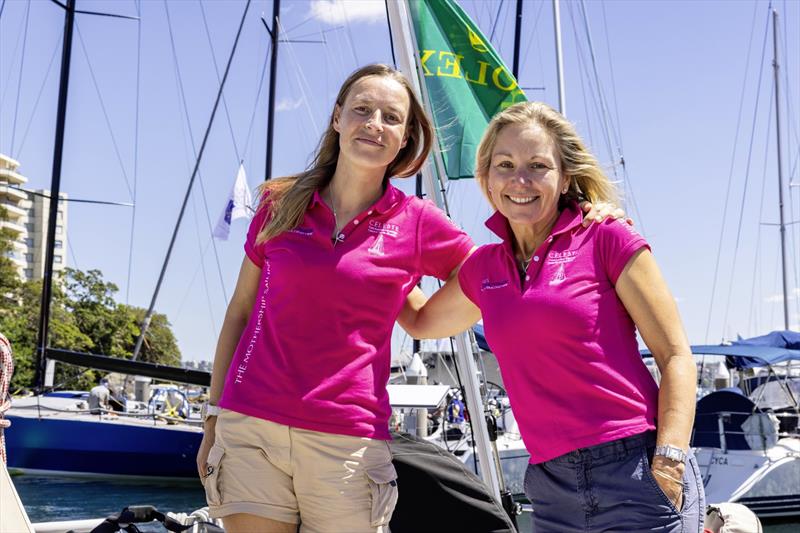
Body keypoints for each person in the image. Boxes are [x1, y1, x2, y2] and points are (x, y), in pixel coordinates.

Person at [197, 66, 622, 533]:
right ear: (337, 118)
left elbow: (497, 269)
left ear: (406, 139)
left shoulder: (416, 222)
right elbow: (239, 312)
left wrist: (581, 215)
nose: (374, 123)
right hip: (250, 425)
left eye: (391, 117)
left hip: (348, 440)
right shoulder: (280, 204)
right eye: (361, 109)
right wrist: (214, 416)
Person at [401, 101, 704, 532]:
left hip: (636, 468)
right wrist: (376, 263)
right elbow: (420, 322)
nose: (519, 180)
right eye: (504, 164)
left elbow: (676, 357)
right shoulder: (484, 268)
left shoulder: (606, 237)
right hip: (550, 485)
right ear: (485, 178)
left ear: (564, 178)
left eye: (538, 165)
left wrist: (669, 464)